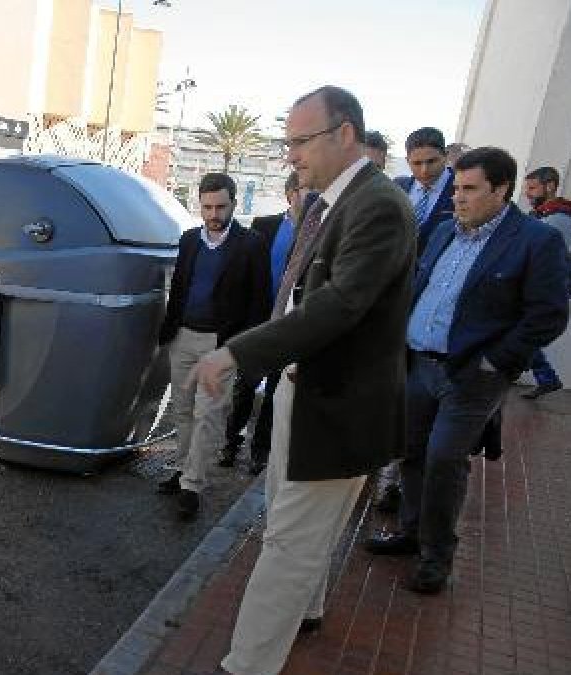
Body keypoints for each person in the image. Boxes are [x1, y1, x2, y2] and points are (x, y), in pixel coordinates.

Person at [187, 85, 416, 675]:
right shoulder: (334, 200)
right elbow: (297, 298)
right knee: (301, 528)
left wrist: (236, 353)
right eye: (286, 142)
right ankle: (308, 609)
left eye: (299, 141)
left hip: (336, 406)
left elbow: (340, 305)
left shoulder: (378, 205)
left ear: (344, 134)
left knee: (289, 542)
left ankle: (247, 664)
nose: (290, 155)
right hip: (301, 390)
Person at [365, 147, 571, 594]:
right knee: (413, 451)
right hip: (420, 364)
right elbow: (418, 289)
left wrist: (494, 361)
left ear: (501, 190)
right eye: (456, 188)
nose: (458, 198)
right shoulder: (442, 232)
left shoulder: (536, 242)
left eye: (470, 189)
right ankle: (410, 531)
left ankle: (436, 556)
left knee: (444, 458)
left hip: (470, 377)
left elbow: (549, 315)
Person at [156, 172, 271, 519]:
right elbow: (179, 288)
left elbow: (259, 301)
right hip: (183, 336)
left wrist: (240, 348)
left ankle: (193, 485)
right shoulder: (189, 240)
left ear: (234, 204)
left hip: (220, 343)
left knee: (209, 414)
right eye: (207, 207)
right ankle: (182, 470)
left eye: (220, 206)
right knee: (183, 408)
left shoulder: (251, 244)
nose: (213, 214)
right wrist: (169, 330)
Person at [218, 171, 304, 475]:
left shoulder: (320, 232)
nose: (310, 197)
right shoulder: (264, 226)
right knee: (245, 385)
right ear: (290, 193)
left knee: (274, 392)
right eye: (304, 191)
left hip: (291, 325)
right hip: (258, 321)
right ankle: (231, 442)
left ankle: (260, 451)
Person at [520, 166, 571, 399]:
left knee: (522, 329)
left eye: (533, 188)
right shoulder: (544, 214)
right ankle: (545, 377)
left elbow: (547, 256)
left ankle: (544, 376)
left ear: (550, 186)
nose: (528, 194)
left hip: (542, 285)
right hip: (534, 283)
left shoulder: (559, 217)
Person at [395, 127, 455, 251]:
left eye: (431, 162)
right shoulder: (398, 187)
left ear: (445, 156)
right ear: (407, 161)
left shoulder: (462, 189)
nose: (424, 170)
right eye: (417, 163)